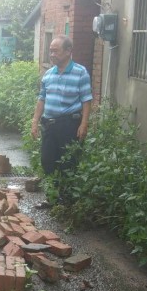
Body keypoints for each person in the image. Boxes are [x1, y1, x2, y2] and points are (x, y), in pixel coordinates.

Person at [30, 35, 92, 198]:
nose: (51, 54)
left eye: (55, 51)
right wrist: (35, 121)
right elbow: (41, 99)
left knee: (68, 163)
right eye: (50, 51)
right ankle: (55, 196)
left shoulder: (80, 72)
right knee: (47, 160)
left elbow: (86, 100)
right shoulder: (49, 74)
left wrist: (84, 124)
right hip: (49, 125)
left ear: (68, 51)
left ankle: (66, 200)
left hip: (69, 125)